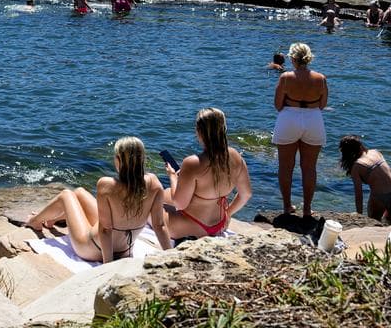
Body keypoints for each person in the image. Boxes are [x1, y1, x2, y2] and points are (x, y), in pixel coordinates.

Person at [25, 137, 172, 263]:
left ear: (118, 160)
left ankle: (35, 221)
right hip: (125, 249)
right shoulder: (154, 183)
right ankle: (52, 220)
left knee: (66, 195)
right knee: (80, 192)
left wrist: (108, 264)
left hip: (92, 249)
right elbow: (160, 226)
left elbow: (106, 230)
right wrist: (171, 257)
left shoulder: (107, 185)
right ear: (142, 159)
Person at [164, 108, 253, 240]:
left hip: (193, 228)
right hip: (220, 225)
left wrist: (172, 176)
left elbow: (179, 204)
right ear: (224, 129)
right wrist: (228, 213)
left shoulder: (192, 163)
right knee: (166, 193)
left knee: (150, 204)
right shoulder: (236, 157)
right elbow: (246, 194)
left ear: (199, 132)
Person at [272, 42, 328, 217]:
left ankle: (287, 206)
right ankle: (306, 209)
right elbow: (323, 104)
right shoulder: (321, 78)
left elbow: (278, 105)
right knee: (309, 167)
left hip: (289, 118)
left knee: (285, 167)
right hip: (313, 119)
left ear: (292, 58)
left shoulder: (286, 77)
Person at [339, 135, 391, 224]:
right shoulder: (375, 152)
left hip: (380, 198)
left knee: (373, 223)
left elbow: (359, 194)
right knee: (390, 221)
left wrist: (359, 215)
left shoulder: (357, 166)